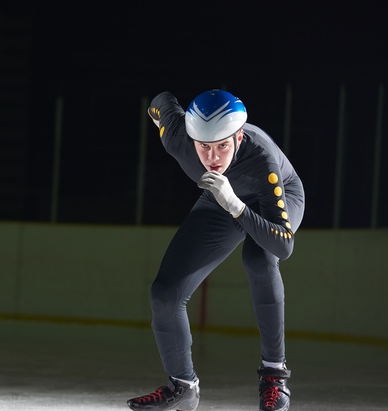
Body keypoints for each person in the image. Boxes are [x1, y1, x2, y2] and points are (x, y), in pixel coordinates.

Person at [126, 90, 305, 411]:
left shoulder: (261, 159)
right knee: (164, 293)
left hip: (272, 195)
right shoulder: (178, 137)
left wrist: (236, 205)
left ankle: (275, 377)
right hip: (218, 197)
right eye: (204, 148)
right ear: (191, 139)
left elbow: (284, 245)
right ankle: (182, 385)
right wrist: (159, 119)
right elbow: (160, 101)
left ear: (239, 136)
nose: (213, 158)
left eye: (223, 145)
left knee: (259, 257)